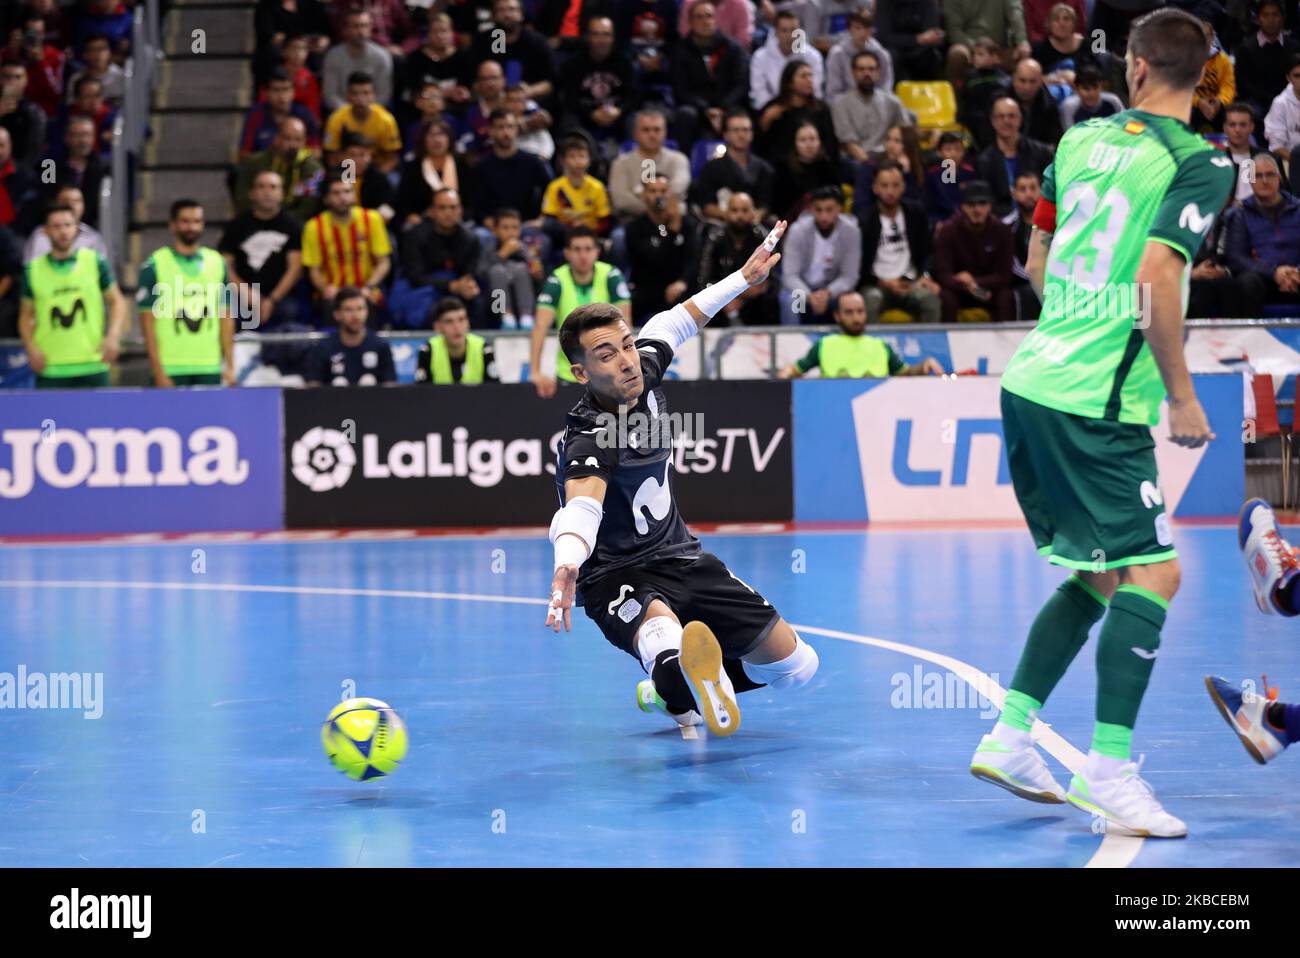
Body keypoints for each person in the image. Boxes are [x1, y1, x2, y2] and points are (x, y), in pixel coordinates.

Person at [968, 8, 1236, 838]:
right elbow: (1158, 273)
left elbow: (1039, 259)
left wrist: (1079, 325)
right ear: (1199, 76)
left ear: (1137, 68)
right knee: (1155, 575)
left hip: (1035, 381)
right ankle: (1111, 771)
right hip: (1098, 404)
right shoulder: (1203, 162)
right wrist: (1183, 394)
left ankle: (1012, 734)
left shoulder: (1078, 142)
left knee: (1101, 573)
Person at [543, 219, 820, 739]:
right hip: (616, 575)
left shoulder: (642, 367)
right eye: (606, 355)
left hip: (683, 556)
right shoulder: (589, 436)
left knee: (798, 667)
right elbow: (582, 507)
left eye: (626, 344)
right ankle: (675, 675)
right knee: (662, 637)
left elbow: (677, 319)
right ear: (581, 373)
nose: (626, 361)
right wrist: (566, 563)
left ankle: (674, 688)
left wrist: (743, 278)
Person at [19, 202, 124, 388]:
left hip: (93, 364)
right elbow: (25, 316)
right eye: (56, 226)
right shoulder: (33, 270)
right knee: (51, 418)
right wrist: (31, 348)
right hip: (51, 366)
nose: (63, 231)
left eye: (68, 225)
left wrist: (113, 337)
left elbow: (117, 301)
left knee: (98, 418)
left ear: (76, 227)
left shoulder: (95, 262)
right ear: (45, 231)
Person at [137, 199, 236, 387]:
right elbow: (147, 324)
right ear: (172, 225)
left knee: (210, 418)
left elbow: (226, 317)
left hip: (209, 366)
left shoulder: (217, 262)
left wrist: (230, 365)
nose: (191, 227)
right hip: (171, 368)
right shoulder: (155, 264)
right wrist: (158, 370)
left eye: (197, 221)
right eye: (185, 221)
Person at [530, 226, 631, 397]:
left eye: (588, 249)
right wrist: (535, 371)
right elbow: (540, 326)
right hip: (568, 374)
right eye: (576, 249)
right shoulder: (556, 280)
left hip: (608, 375)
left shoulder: (611, 276)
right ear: (567, 253)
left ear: (597, 251)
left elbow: (625, 323)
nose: (583, 255)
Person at [778, 291, 944, 377]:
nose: (856, 318)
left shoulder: (881, 346)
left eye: (860, 311)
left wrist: (923, 366)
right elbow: (797, 369)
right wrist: (785, 373)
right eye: (849, 312)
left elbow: (905, 373)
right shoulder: (825, 345)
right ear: (837, 316)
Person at [218, 170, 305, 330]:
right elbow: (225, 266)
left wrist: (272, 299)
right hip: (243, 293)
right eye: (261, 187)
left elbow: (295, 269)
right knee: (225, 310)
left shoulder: (294, 225)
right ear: (252, 193)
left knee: (290, 313)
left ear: (281, 193)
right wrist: (247, 293)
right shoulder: (236, 226)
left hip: (281, 296)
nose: (267, 192)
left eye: (273, 187)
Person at [301, 170, 392, 321]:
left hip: (366, 288)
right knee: (330, 308)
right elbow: (314, 270)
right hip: (333, 292)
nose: (343, 197)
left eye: (347, 191)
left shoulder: (372, 219)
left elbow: (384, 262)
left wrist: (368, 287)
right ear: (325, 199)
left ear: (354, 195)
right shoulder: (313, 227)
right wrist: (326, 289)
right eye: (336, 193)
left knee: (370, 306)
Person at [859, 161, 939, 323]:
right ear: (875, 188)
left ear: (903, 187)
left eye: (895, 185)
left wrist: (925, 276)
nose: (890, 191)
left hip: (910, 283)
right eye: (885, 185)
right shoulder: (864, 220)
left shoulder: (916, 213)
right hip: (877, 284)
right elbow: (859, 266)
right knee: (871, 302)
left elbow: (928, 251)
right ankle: (875, 347)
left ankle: (927, 348)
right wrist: (883, 282)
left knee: (930, 301)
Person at [1221, 151, 1300, 316]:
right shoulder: (1240, 214)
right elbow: (1236, 257)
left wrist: (1296, 273)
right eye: (1258, 176)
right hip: (1263, 280)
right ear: (1250, 181)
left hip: (1297, 277)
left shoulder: (1298, 209)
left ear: (1279, 178)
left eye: (1270, 175)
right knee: (1246, 281)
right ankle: (1252, 339)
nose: (1264, 181)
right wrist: (1274, 272)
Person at [670, 1, 750, 152]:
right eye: (699, 17)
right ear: (690, 22)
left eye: (709, 16)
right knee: (684, 115)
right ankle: (686, 164)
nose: (705, 21)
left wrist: (722, 108)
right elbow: (680, 90)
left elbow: (741, 85)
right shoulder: (680, 51)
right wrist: (706, 109)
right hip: (697, 108)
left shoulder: (733, 49)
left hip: (727, 105)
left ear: (716, 20)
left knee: (740, 116)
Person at [397, 187, 481, 327]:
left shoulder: (471, 239)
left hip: (457, 288)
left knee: (483, 299)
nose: (448, 213)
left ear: (460, 210)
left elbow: (471, 271)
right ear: (431, 211)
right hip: (424, 289)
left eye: (453, 207)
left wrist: (468, 284)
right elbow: (415, 277)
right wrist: (450, 286)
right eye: (442, 208)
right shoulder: (414, 236)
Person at [933, 179, 1015, 322]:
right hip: (959, 290)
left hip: (988, 288)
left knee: (1006, 296)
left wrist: (975, 282)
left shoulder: (1002, 231)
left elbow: (1004, 275)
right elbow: (943, 274)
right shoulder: (948, 231)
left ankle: (1007, 343)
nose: (977, 210)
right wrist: (962, 284)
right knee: (946, 297)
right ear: (962, 207)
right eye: (971, 205)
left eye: (982, 204)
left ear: (990, 206)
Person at [779, 184, 861, 324]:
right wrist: (810, 296)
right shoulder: (797, 231)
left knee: (851, 302)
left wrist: (827, 293)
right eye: (819, 210)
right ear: (811, 209)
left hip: (833, 291)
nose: (824, 216)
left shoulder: (851, 231)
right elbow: (790, 275)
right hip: (803, 290)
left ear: (839, 209)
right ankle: (792, 344)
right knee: (790, 301)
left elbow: (849, 276)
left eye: (829, 210)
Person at [626, 175, 700, 322]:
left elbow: (693, 258)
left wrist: (683, 282)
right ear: (644, 195)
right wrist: (672, 232)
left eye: (663, 191)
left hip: (680, 287)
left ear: (670, 194)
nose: (659, 195)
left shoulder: (686, 224)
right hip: (649, 287)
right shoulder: (635, 228)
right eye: (653, 191)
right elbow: (652, 260)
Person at [697, 191, 777, 325]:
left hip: (754, 298)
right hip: (720, 298)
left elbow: (771, 278)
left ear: (753, 213)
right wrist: (724, 299)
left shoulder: (762, 237)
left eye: (745, 210)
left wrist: (744, 297)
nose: (739, 216)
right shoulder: (715, 238)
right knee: (705, 304)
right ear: (726, 213)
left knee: (771, 301)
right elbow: (704, 278)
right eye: (735, 210)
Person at [558, 16, 634, 153]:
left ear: (613, 38)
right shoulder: (574, 63)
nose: (601, 40)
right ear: (587, 37)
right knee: (568, 120)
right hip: (585, 115)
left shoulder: (624, 62)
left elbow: (634, 95)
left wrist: (620, 110)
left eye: (606, 35)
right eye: (596, 34)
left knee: (636, 120)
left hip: (617, 115)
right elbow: (569, 98)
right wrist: (591, 113)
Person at [470, 109, 553, 227]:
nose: (506, 132)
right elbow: (477, 206)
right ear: (491, 131)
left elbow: (551, 192)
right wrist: (490, 224)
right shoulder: (481, 167)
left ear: (516, 129)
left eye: (510, 127)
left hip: (528, 225)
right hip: (494, 227)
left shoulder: (533, 162)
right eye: (500, 127)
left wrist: (542, 219)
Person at [690, 108, 774, 222]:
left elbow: (764, 205)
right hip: (721, 226)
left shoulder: (764, 169)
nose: (741, 135)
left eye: (745, 130)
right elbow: (706, 205)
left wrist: (757, 215)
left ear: (752, 134)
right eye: (736, 130)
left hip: (754, 225)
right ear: (725, 134)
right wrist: (730, 215)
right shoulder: (711, 168)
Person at [975, 96, 1054, 217]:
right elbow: (987, 200)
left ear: (1020, 119)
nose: (1006, 121)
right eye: (1001, 116)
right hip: (1001, 223)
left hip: (1040, 217)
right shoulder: (984, 161)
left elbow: (1053, 189)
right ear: (993, 121)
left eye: (1011, 116)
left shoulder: (1042, 153)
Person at [232, 116, 323, 220]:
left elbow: (308, 207)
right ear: (277, 139)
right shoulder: (254, 163)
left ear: (304, 142)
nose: (293, 144)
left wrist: (284, 223)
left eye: (298, 139)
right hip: (257, 220)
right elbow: (242, 198)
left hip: (295, 226)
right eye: (287, 138)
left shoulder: (313, 169)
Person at [470, 0, 557, 106]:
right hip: (492, 101)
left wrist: (527, 92)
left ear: (521, 15)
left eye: (512, 9)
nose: (507, 15)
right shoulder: (483, 42)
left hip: (530, 100)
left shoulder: (537, 42)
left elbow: (550, 82)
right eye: (501, 10)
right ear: (494, 16)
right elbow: (473, 81)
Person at [608, 109, 690, 222]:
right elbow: (621, 200)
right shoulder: (620, 164)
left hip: (671, 219)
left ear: (665, 132)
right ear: (636, 134)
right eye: (646, 130)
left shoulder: (679, 159)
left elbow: (678, 188)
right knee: (619, 236)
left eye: (657, 130)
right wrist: (654, 211)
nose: (652, 135)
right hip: (634, 221)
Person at [304, 286, 396, 386]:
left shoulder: (381, 346)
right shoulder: (323, 348)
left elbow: (390, 388)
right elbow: (312, 388)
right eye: (348, 310)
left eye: (360, 309)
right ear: (337, 314)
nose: (355, 316)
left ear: (367, 311)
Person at [830, 50, 909, 164]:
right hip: (857, 158)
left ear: (878, 73)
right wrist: (871, 166)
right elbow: (849, 144)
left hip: (887, 156)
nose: (867, 73)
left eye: (871, 69)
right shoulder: (840, 104)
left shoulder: (892, 102)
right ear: (853, 73)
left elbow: (906, 132)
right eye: (861, 69)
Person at [322, 72, 402, 173]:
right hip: (347, 169)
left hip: (376, 169)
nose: (360, 98)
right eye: (355, 93)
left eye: (366, 93)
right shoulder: (336, 119)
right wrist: (347, 178)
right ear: (348, 96)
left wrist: (376, 178)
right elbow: (332, 157)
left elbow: (392, 158)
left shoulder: (386, 120)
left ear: (373, 95)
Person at [1235, 0, 1299, 122]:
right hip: (1256, 101)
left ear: (1282, 18)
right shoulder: (1246, 48)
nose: (1270, 20)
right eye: (1265, 15)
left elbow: (1296, 78)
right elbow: (1243, 84)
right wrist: (1270, 100)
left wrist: (1281, 100)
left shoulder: (1294, 47)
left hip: (1289, 98)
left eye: (1275, 15)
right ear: (1258, 19)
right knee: (1255, 114)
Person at [477, 207, 540, 330]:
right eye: (505, 228)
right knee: (497, 270)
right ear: (495, 230)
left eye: (515, 228)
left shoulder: (527, 249)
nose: (511, 232)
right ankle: (506, 317)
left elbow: (539, 279)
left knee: (520, 268)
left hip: (525, 302)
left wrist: (536, 272)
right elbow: (480, 274)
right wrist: (501, 255)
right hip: (495, 306)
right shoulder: (487, 248)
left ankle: (526, 317)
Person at [395, 118, 466, 227]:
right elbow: (403, 201)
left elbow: (472, 200)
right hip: (423, 220)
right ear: (424, 140)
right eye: (431, 135)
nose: (437, 140)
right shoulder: (413, 167)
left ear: (449, 139)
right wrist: (411, 215)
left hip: (457, 220)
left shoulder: (461, 164)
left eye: (441, 134)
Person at [321, 9, 393, 113]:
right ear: (346, 29)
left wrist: (366, 112)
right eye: (355, 26)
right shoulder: (333, 56)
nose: (361, 31)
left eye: (364, 25)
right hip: (341, 113)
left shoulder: (382, 56)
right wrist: (350, 113)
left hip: (374, 112)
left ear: (370, 27)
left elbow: (384, 94)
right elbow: (330, 94)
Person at [415, 296, 499, 384]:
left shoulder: (484, 349)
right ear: (438, 327)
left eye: (461, 320)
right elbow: (421, 393)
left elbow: (495, 391)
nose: (457, 327)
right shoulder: (427, 351)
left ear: (468, 323)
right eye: (449, 322)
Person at [750, 10, 826, 109]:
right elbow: (759, 92)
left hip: (805, 109)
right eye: (784, 30)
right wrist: (779, 109)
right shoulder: (760, 57)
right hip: (772, 110)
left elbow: (816, 91)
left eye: (794, 30)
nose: (790, 36)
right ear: (776, 32)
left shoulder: (813, 56)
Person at [239, 68, 320, 158]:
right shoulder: (255, 115)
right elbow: (244, 154)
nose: (281, 96)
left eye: (285, 89)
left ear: (293, 92)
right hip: (264, 169)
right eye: (276, 90)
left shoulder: (305, 115)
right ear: (266, 93)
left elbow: (316, 152)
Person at [770, 121, 842, 223]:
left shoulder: (827, 167)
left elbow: (838, 197)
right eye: (803, 140)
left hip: (825, 219)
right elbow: (779, 205)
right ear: (794, 143)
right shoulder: (784, 170)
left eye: (812, 139)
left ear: (819, 141)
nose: (809, 145)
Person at [542, 136, 612, 237]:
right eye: (572, 156)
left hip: (591, 234)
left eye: (582, 156)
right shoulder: (555, 187)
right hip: (563, 235)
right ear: (563, 161)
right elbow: (550, 217)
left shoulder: (597, 187)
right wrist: (570, 228)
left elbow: (605, 221)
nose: (578, 161)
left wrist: (586, 229)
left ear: (589, 160)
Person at [22, 185, 106, 263]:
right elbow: (30, 270)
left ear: (83, 205)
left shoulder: (93, 238)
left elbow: (104, 273)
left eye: (76, 201)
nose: (71, 205)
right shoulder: (40, 237)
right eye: (66, 200)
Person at [826, 12, 894, 101]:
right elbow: (833, 93)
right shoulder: (837, 54)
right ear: (849, 29)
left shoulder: (882, 55)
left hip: (876, 105)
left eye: (866, 28)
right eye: (857, 28)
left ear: (871, 30)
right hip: (845, 105)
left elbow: (886, 89)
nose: (862, 33)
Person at [1001, 169, 1042, 321]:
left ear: (1041, 191)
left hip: (1052, 281)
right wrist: (1036, 278)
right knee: (1029, 292)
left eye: (1033, 188)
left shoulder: (1056, 224)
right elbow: (1010, 262)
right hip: (1021, 283)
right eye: (1022, 189)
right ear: (1014, 193)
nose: (1028, 194)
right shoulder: (1007, 226)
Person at [924, 131, 978, 225]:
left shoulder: (970, 173)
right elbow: (929, 206)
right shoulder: (933, 175)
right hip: (942, 220)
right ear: (940, 152)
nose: (953, 154)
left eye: (957, 149)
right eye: (948, 149)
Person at [1058, 64, 1123, 130]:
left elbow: (1125, 123)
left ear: (1101, 87)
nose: (1091, 93)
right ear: (1076, 89)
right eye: (1086, 88)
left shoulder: (1113, 101)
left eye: (1095, 87)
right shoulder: (1069, 106)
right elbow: (1068, 134)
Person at [1266, 54, 1300, 166]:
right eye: (1297, 76)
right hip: (1292, 162)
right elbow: (1277, 146)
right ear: (1288, 78)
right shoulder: (1280, 104)